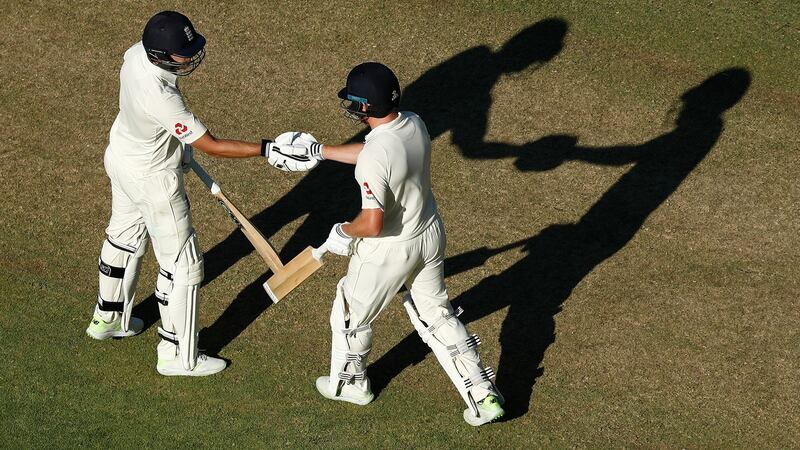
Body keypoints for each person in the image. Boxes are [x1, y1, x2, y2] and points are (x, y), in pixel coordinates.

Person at [85, 10, 315, 377]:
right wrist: (267, 148)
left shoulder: (134, 54)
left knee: (124, 239)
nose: (190, 57)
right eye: (182, 53)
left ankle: (108, 317)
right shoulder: (161, 96)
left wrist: (174, 141)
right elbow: (212, 145)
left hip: (123, 156)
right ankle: (178, 356)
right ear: (160, 56)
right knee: (183, 266)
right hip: (154, 180)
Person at [303, 62, 505, 425]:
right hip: (428, 234)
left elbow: (372, 222)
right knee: (437, 314)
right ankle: (483, 394)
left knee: (350, 314)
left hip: (388, 250)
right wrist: (321, 151)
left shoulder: (373, 160)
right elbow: (374, 154)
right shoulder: (412, 122)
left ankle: (352, 384)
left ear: (365, 107)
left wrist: (342, 233)